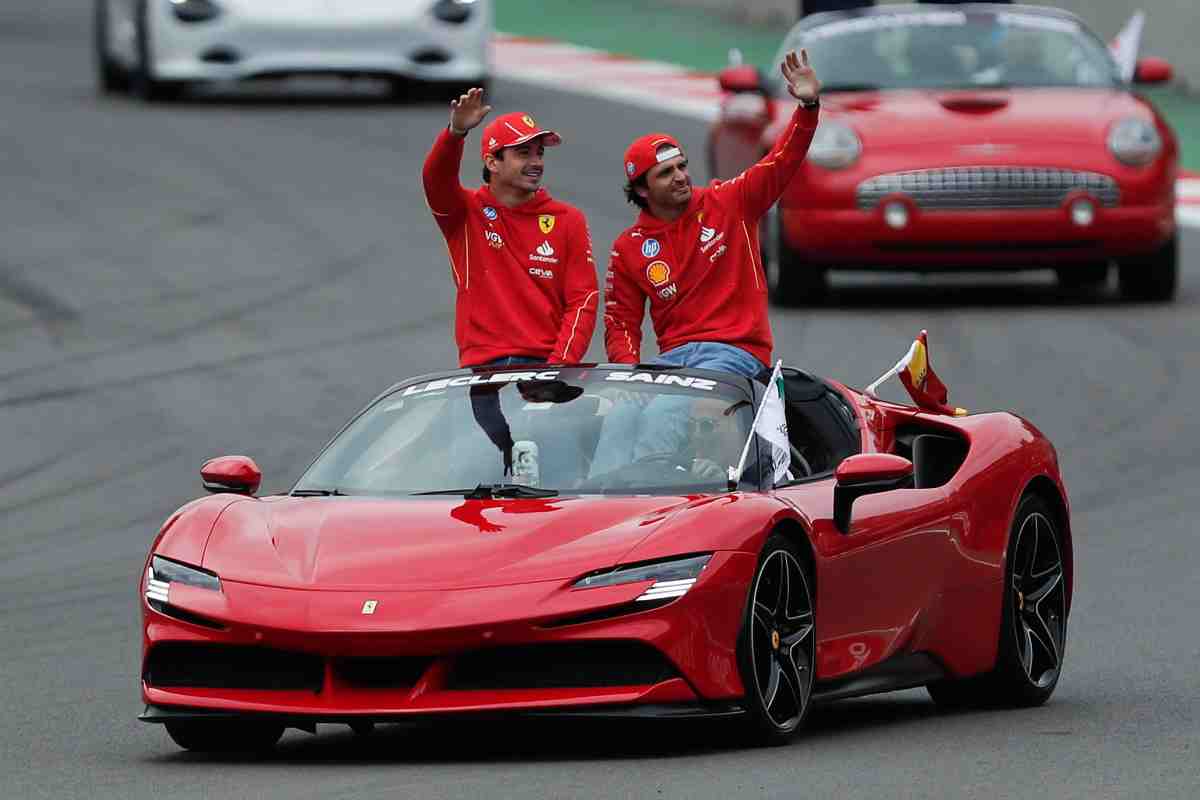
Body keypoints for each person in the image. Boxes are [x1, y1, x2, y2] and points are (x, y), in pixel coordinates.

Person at [591, 50, 820, 475]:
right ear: (641, 190)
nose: (680, 176)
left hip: (734, 353)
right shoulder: (629, 247)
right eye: (665, 173)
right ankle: (600, 510)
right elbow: (620, 323)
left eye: (682, 166)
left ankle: (645, 507)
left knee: (664, 414)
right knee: (621, 416)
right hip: (672, 359)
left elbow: (782, 162)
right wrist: (626, 377)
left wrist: (807, 108)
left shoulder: (729, 202)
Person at [422, 88, 599, 369]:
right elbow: (435, 178)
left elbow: (583, 299)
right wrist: (455, 133)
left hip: (545, 366)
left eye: (539, 153)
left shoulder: (569, 219)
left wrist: (559, 366)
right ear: (493, 162)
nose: (536, 163)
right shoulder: (464, 211)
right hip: (481, 369)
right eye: (523, 153)